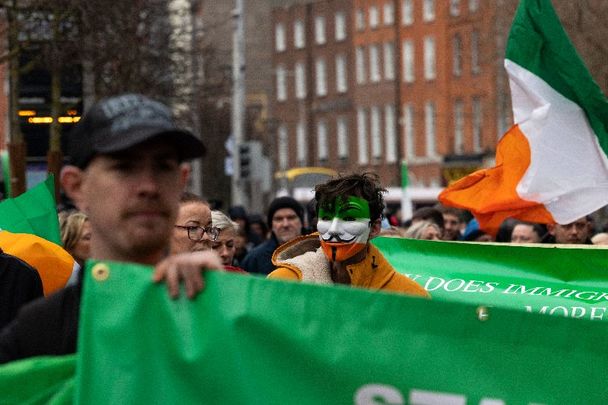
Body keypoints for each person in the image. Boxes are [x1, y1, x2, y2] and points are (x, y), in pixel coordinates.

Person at [0, 93, 222, 363]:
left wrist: (223, 299)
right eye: (124, 167)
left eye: (163, 166)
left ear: (181, 180)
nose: (148, 186)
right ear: (76, 187)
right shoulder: (38, 335)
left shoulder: (223, 311)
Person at [268, 173, 428, 296]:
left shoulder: (408, 295)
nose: (334, 229)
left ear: (375, 228)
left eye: (349, 218)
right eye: (326, 218)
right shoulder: (283, 284)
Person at [241, 196, 304, 276]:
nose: (285, 224)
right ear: (271, 226)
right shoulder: (254, 259)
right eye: (279, 219)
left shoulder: (317, 253)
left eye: (291, 218)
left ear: (301, 222)